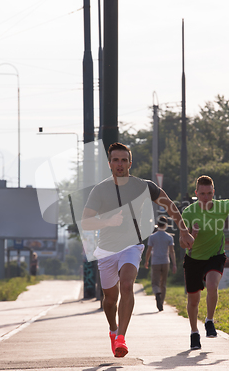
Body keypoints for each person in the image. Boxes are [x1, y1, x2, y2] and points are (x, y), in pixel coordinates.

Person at [81, 142, 194, 358]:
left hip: (132, 245)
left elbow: (170, 206)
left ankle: (121, 337)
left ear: (130, 163)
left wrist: (185, 231)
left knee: (126, 285)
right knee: (110, 299)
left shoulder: (144, 186)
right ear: (110, 164)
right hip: (106, 249)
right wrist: (107, 221)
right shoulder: (100, 189)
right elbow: (86, 222)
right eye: (116, 160)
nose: (120, 164)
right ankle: (113, 330)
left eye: (124, 160)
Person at [181, 175, 229, 350]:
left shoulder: (221, 206)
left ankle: (209, 321)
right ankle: (194, 332)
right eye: (202, 194)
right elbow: (182, 243)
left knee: (212, 286)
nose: (206, 197)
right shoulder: (189, 212)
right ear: (196, 193)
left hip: (215, 255)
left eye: (209, 193)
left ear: (213, 192)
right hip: (194, 258)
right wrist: (192, 235)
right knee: (193, 299)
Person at [144, 216, 177, 311]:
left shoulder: (152, 237)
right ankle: (161, 303)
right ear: (166, 225)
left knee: (155, 283)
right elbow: (172, 251)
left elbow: (149, 250)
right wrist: (174, 264)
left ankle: (157, 293)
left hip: (155, 262)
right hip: (166, 261)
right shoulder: (169, 237)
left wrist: (146, 261)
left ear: (157, 224)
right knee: (163, 283)